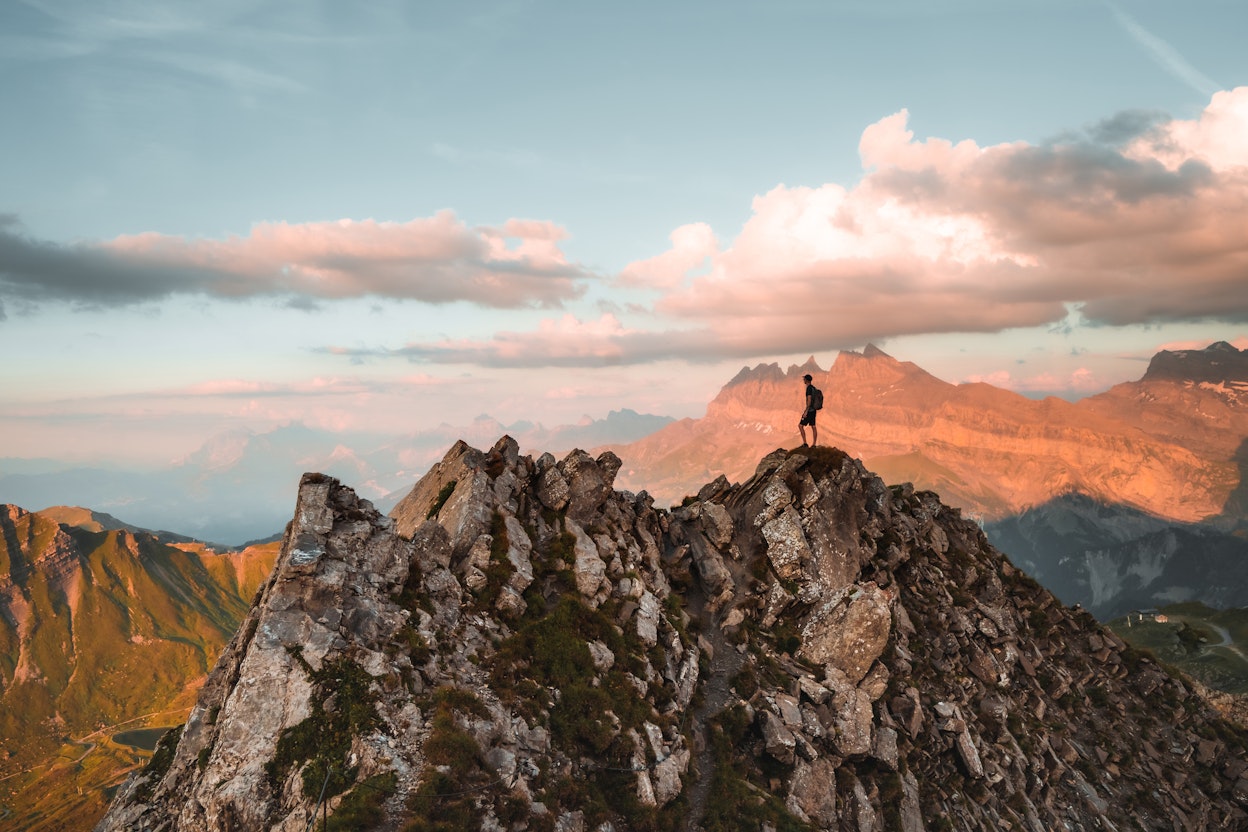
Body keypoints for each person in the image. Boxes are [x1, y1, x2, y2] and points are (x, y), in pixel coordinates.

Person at [799, 373, 817, 447]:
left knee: (800, 426)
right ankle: (814, 444)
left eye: (804, 379)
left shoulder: (809, 389)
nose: (803, 380)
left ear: (806, 380)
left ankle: (805, 443)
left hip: (809, 410)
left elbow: (809, 400)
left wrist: (806, 411)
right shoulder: (814, 388)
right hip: (814, 410)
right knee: (813, 426)